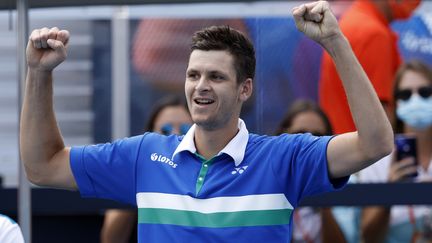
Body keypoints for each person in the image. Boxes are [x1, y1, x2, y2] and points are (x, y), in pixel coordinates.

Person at [21, 1, 394, 242]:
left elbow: (375, 143)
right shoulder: (144, 154)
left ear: (245, 89)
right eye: (193, 75)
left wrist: (334, 41)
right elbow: (43, 166)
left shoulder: (284, 157)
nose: (200, 86)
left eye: (216, 77)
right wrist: (39, 74)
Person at [319, 0, 420, 134]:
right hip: (364, 148)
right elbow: (379, 116)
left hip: (343, 143)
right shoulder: (374, 34)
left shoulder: (353, 20)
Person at [101, 96, 192, 243]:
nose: (175, 136)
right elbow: (111, 239)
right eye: (166, 130)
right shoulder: (138, 170)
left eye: (185, 130)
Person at [359, 60, 432, 243]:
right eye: (405, 95)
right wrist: (390, 194)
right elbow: (368, 238)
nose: (415, 100)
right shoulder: (378, 158)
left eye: (424, 92)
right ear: (396, 104)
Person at [277, 100, 347, 243]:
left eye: (317, 136)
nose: (307, 143)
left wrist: (323, 195)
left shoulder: (345, 181)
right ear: (283, 134)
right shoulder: (267, 178)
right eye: (299, 134)